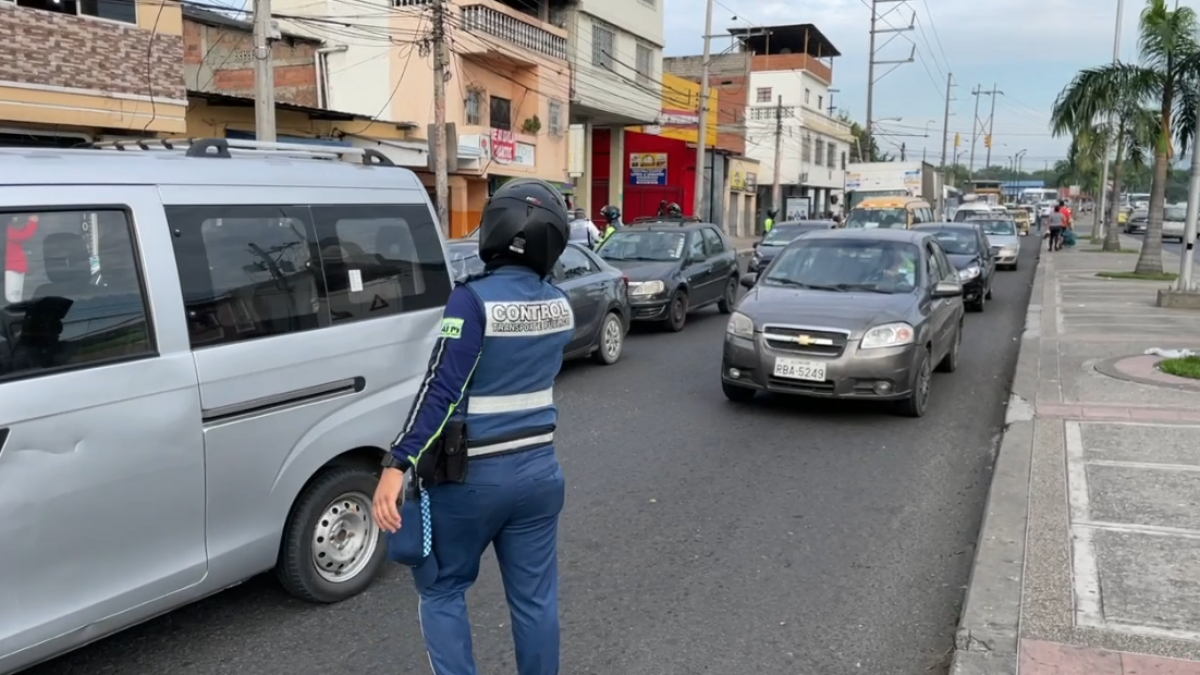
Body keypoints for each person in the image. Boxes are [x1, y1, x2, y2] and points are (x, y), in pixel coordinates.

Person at [372, 178, 574, 675]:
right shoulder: (558, 304)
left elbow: (441, 390)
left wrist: (398, 463)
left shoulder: (471, 301)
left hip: (471, 482)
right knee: (535, 602)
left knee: (442, 589)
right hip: (540, 476)